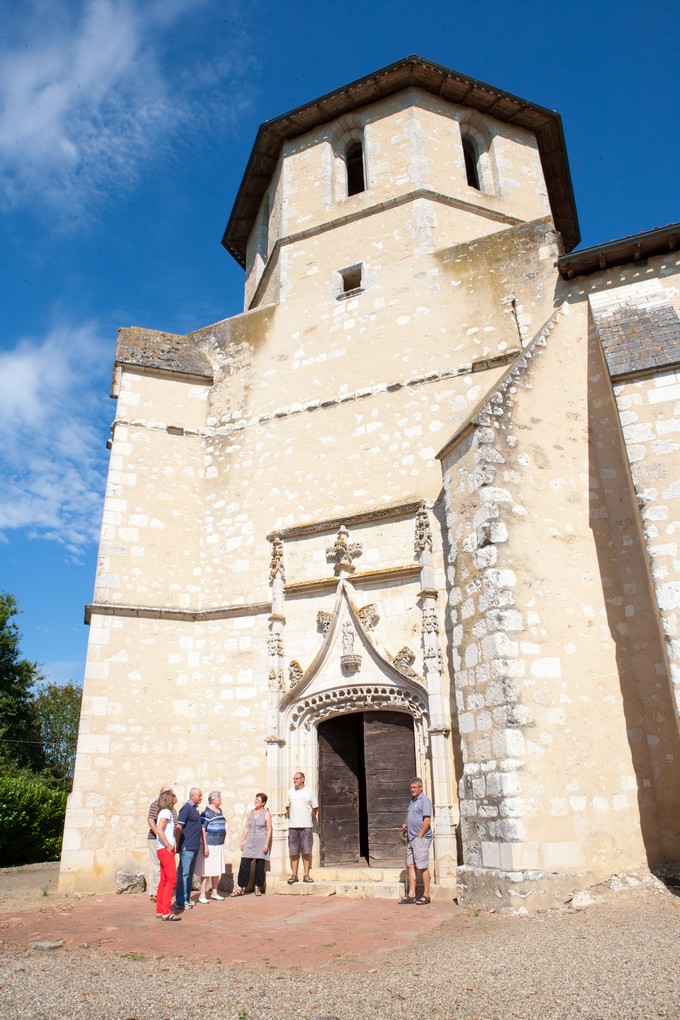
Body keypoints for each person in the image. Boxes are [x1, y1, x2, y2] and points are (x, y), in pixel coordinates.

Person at [399, 776, 432, 905]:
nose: (412, 790)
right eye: (411, 787)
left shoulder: (425, 800)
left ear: (421, 788)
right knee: (411, 865)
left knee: (423, 866)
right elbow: (413, 816)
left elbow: (427, 820)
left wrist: (420, 835)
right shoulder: (412, 801)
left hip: (421, 838)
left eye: (414, 787)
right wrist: (406, 824)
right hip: (411, 838)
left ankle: (426, 895)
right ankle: (411, 895)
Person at [174, 786, 207, 912]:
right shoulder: (186, 808)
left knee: (189, 874)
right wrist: (178, 844)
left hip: (194, 846)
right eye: (199, 795)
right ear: (192, 796)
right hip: (187, 846)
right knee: (184, 874)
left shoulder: (194, 809)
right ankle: (180, 901)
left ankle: (187, 898)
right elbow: (179, 827)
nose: (201, 798)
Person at [233, 792, 272, 897]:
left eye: (258, 800)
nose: (256, 802)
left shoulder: (266, 814)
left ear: (263, 803)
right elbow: (247, 827)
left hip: (261, 841)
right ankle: (241, 887)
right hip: (250, 840)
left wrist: (266, 844)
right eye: (255, 800)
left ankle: (258, 887)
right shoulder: (250, 812)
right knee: (245, 863)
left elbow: (268, 830)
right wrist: (243, 840)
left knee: (260, 865)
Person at [285, 771, 318, 884]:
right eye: (294, 779)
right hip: (293, 826)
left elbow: (315, 807)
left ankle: (306, 875)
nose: (295, 780)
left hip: (306, 826)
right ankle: (294, 875)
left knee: (306, 851)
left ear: (303, 779)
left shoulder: (309, 791)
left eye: (297, 778)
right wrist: (293, 817)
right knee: (293, 851)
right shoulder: (290, 791)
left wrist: (307, 817)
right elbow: (288, 806)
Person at [155, 789, 181, 921]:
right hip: (165, 850)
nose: (175, 798)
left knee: (164, 881)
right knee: (172, 880)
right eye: (173, 797)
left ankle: (160, 910)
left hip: (161, 849)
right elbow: (159, 829)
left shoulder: (163, 812)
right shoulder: (166, 812)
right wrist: (168, 845)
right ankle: (166, 911)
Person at [196, 791, 227, 903]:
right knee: (207, 870)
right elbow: (202, 829)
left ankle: (214, 892)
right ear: (213, 799)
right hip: (209, 844)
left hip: (219, 843)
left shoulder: (220, 811)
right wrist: (205, 846)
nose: (221, 799)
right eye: (219, 797)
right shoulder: (206, 812)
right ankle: (202, 894)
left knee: (216, 869)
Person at [146, 784, 173, 902]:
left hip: (165, 840)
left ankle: (156, 892)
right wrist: (158, 833)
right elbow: (150, 819)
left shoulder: (169, 808)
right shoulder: (156, 805)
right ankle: (157, 893)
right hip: (155, 839)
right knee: (157, 867)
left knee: (161, 868)